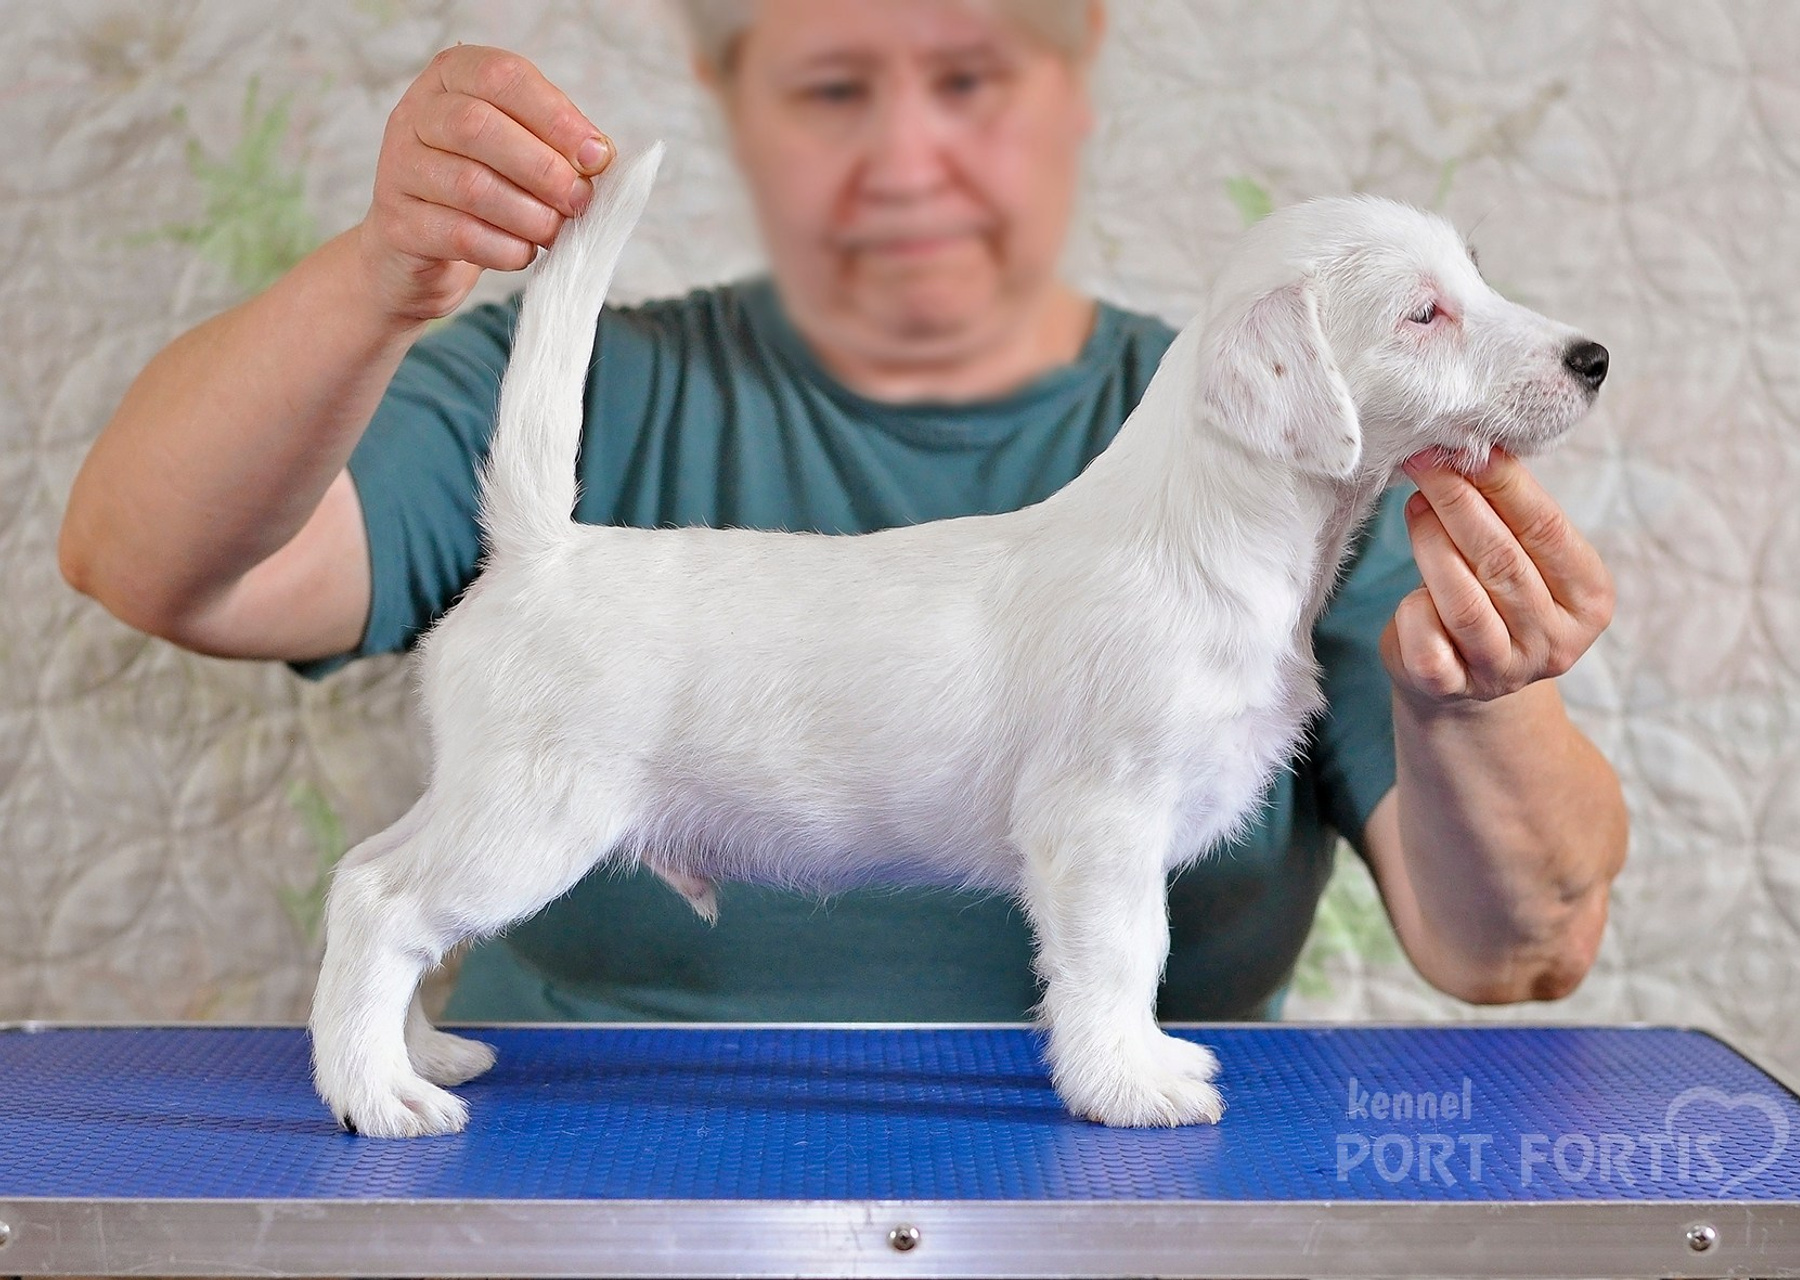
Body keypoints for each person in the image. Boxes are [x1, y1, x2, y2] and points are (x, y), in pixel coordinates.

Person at [57, 0, 1627, 1025]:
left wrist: (1485, 697)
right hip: (597, 1178)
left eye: (971, 74)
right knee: (481, 849)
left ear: (1080, 80)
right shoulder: (595, 384)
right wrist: (384, 274)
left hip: (1120, 1213)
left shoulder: (1307, 484)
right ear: (730, 94)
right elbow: (149, 564)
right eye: (830, 83)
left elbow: (1522, 951)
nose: (907, 148)